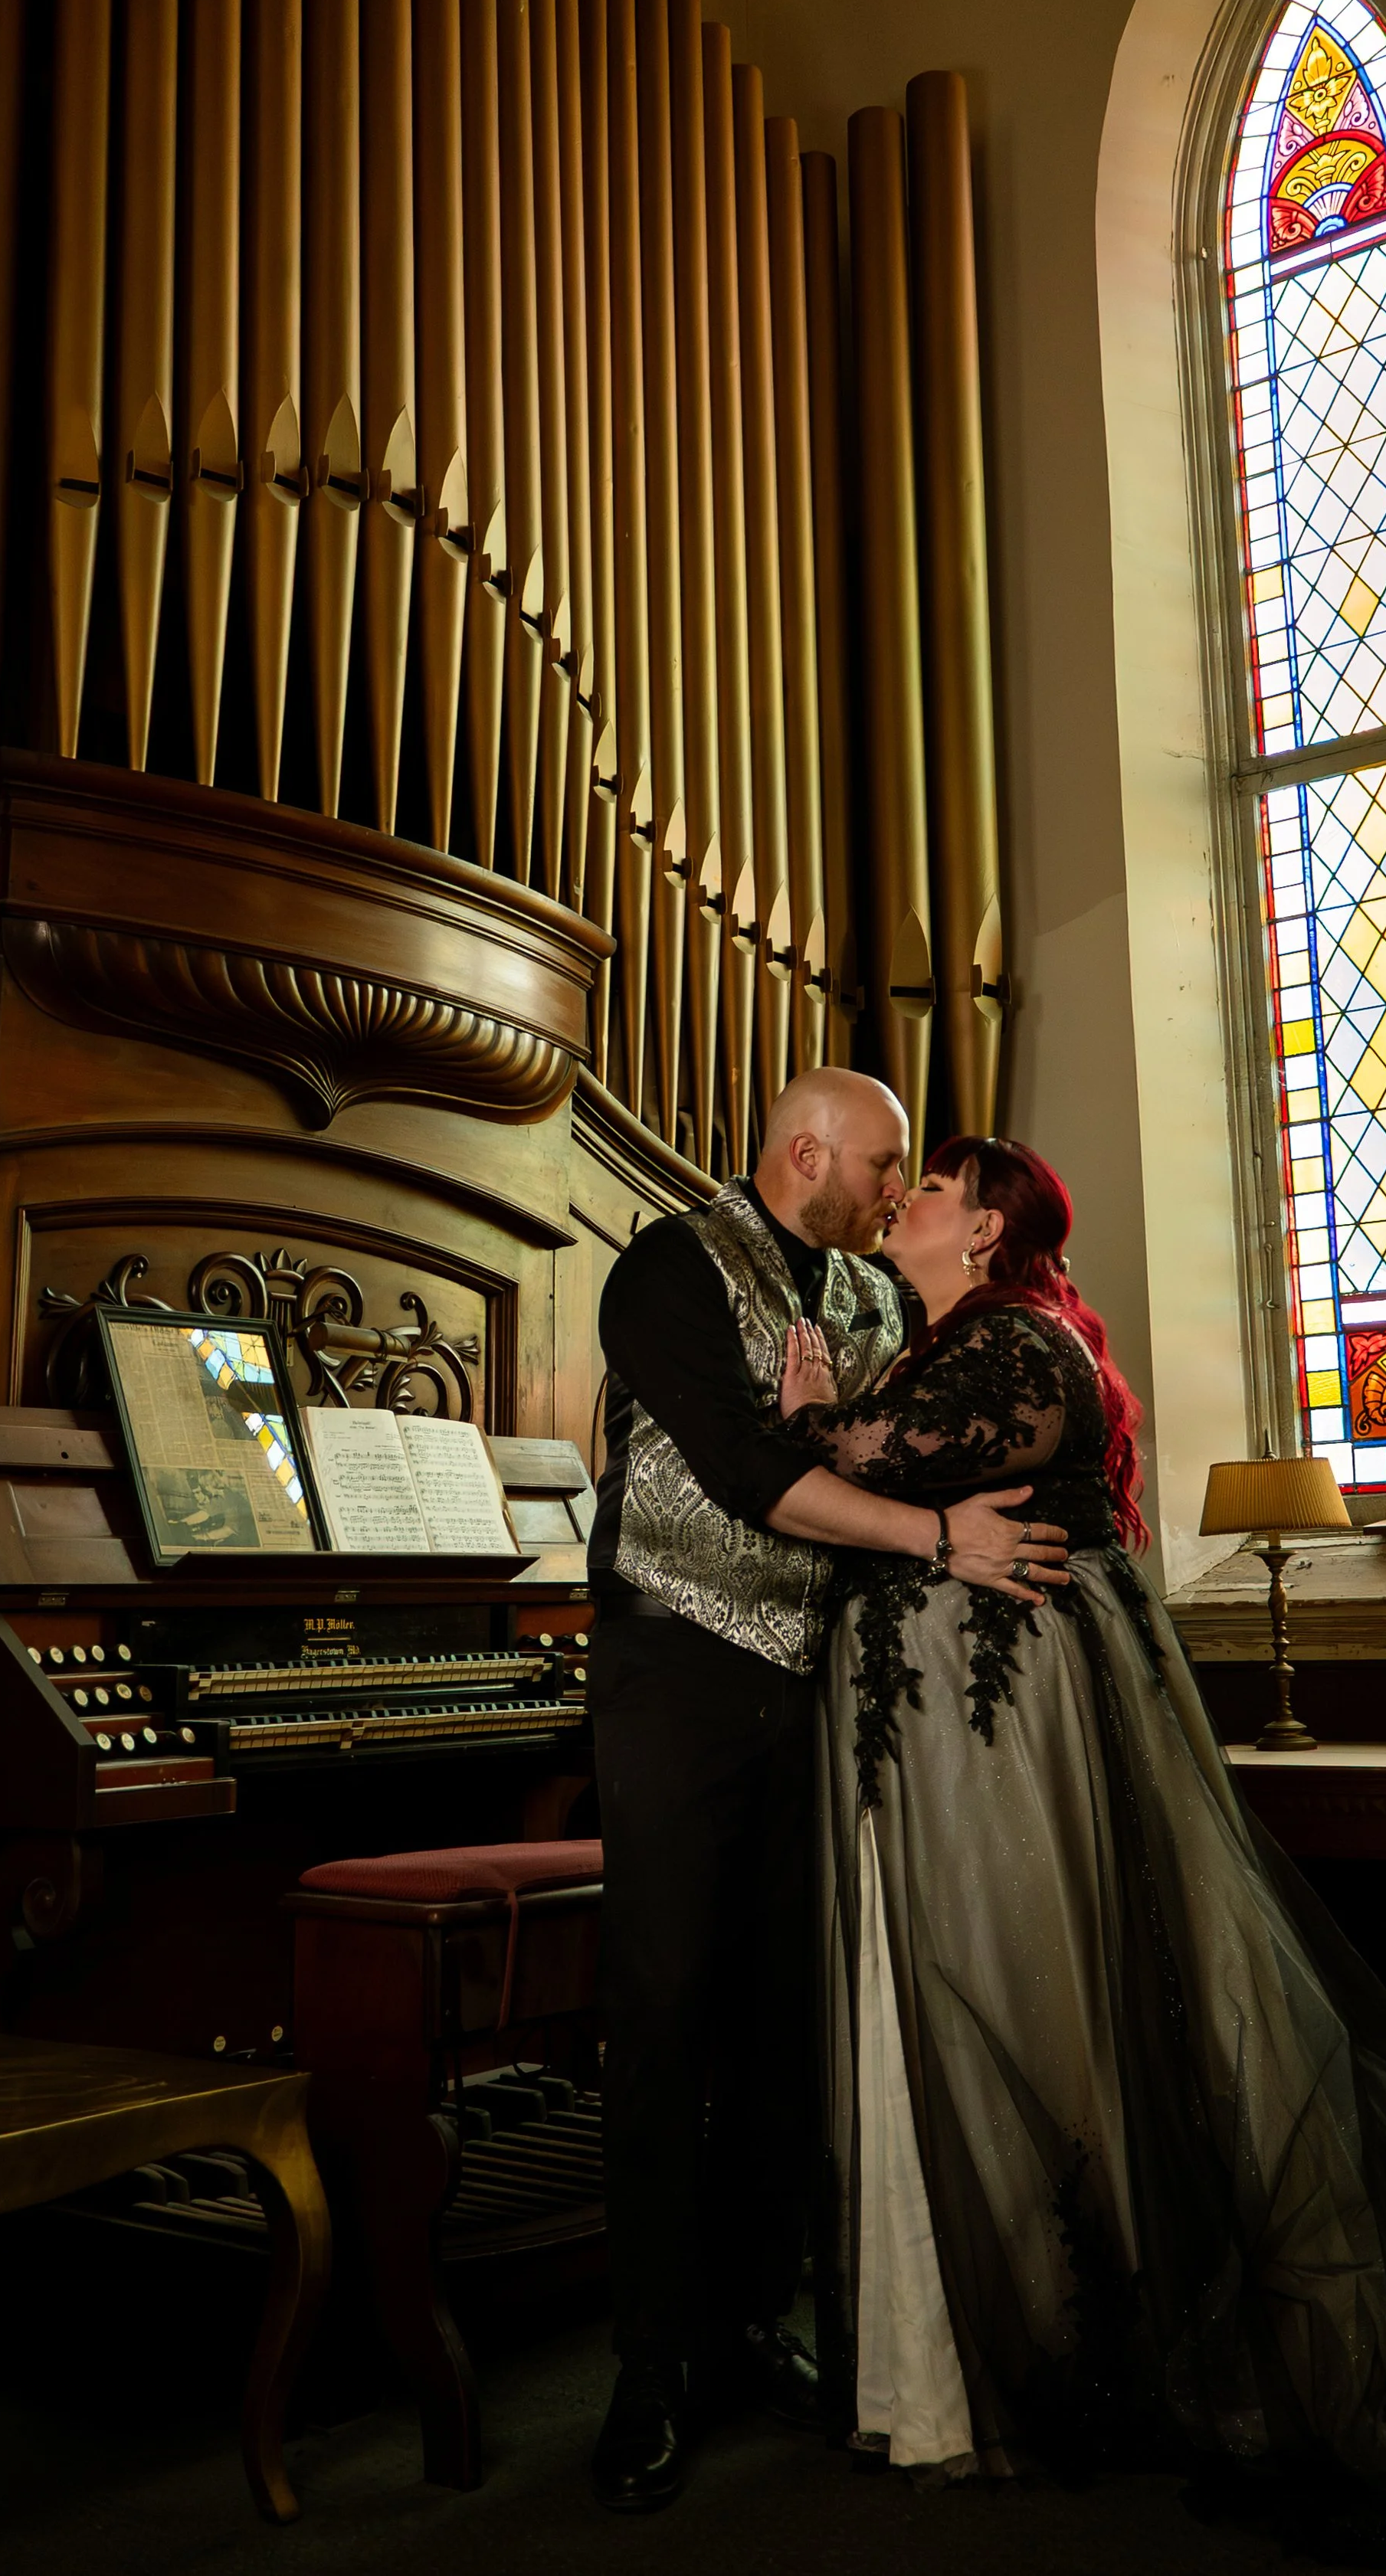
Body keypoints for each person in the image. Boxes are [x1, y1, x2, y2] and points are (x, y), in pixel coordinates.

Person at [780, 1135, 1386, 2569]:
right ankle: (940, 2349)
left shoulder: (1020, 1348)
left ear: (989, 1227)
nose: (906, 1205)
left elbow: (863, 1461)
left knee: (1024, 1998)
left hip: (999, 1735)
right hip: (941, 1734)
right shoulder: (951, 1336)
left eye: (934, 1189)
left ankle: (1072, 2331)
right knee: (955, 2007)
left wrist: (813, 1409)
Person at [582, 1072, 1071, 2513]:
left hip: (816, 1678)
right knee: (665, 2010)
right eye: (880, 1163)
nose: (892, 1184)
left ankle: (745, 2321)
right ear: (808, 1153)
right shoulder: (666, 1266)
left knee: (788, 2015)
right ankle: (653, 2365)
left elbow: (886, 1432)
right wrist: (934, 1534)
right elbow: (743, 1472)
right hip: (674, 1660)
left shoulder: (872, 1298)